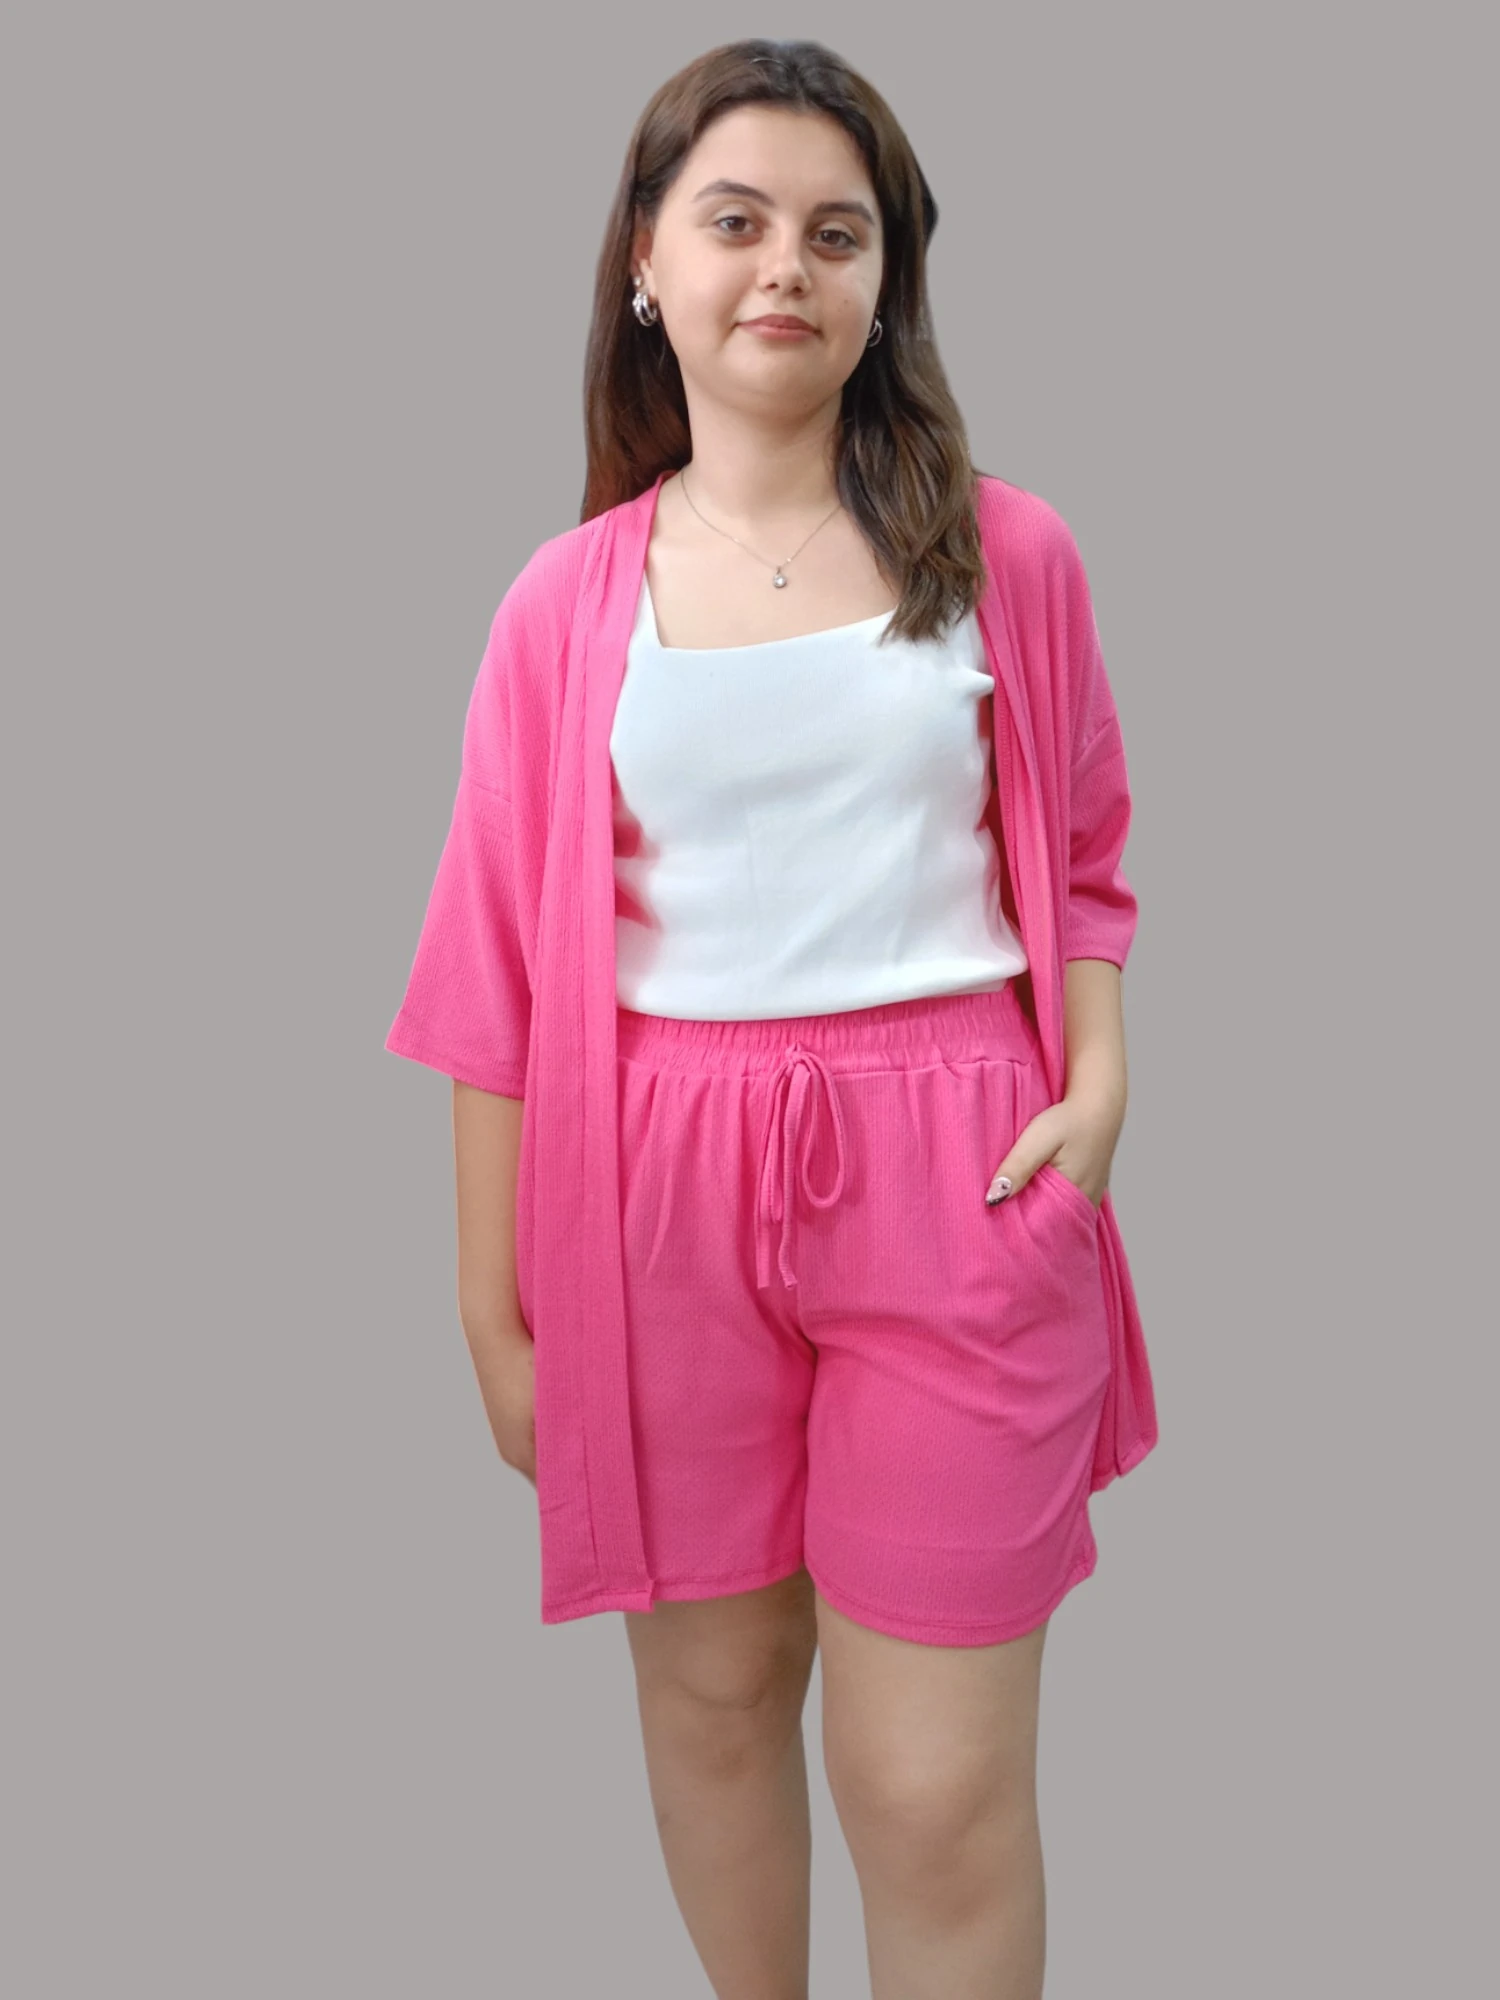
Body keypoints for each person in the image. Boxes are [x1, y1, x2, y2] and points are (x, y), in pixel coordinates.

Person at [386, 36, 1158, 2000]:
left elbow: (1083, 851)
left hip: (960, 1175)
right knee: (718, 1704)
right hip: (649, 1196)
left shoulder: (1009, 556)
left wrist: (1099, 1082)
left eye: (836, 231)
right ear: (647, 260)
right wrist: (490, 1314)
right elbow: (490, 978)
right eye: (734, 221)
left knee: (931, 1787)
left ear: (887, 277)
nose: (784, 267)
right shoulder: (561, 606)